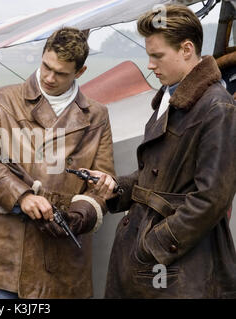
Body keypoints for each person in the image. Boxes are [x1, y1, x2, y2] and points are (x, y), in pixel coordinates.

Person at [88, 5, 236, 298]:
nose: (150, 65)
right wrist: (116, 187)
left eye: (157, 56)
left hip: (178, 267)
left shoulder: (216, 107)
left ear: (186, 49)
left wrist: (153, 245)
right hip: (150, 261)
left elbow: (212, 198)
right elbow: (155, 176)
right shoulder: (171, 98)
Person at [0, 27, 115, 299]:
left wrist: (78, 216)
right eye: (46, 66)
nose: (49, 77)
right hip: (5, 261)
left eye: (60, 73)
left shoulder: (97, 116)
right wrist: (22, 196)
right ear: (42, 56)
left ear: (80, 73)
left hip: (64, 260)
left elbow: (102, 183)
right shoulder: (2, 100)